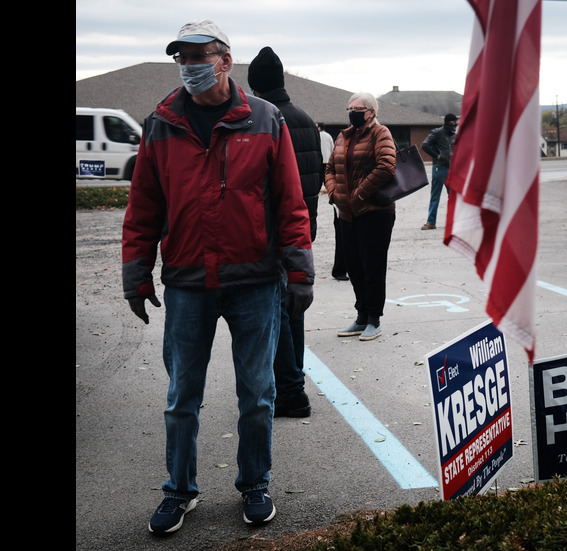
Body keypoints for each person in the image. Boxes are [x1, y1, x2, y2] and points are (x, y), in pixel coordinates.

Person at [122, 20, 314, 534]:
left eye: (198, 56)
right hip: (186, 281)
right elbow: (143, 206)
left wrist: (300, 273)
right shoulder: (161, 123)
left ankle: (255, 485)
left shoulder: (265, 119)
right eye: (181, 58)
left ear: (226, 60)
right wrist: (136, 274)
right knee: (182, 396)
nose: (189, 67)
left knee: (258, 393)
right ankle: (179, 491)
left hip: (254, 281)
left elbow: (290, 204)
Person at [247, 46, 321, 419]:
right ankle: (295, 382)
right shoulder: (306, 118)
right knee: (296, 309)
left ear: (255, 86)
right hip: (305, 228)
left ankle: (289, 391)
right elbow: (318, 174)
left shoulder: (266, 119)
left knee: (275, 312)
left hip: (276, 234)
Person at [324, 92, 396, 341]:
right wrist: (335, 194)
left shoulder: (380, 133)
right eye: (350, 108)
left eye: (357, 108)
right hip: (346, 213)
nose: (352, 112)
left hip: (374, 212)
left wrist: (357, 195)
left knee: (372, 267)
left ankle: (374, 319)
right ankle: (361, 316)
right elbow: (330, 168)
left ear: (371, 112)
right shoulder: (344, 136)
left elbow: (386, 165)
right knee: (353, 266)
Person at [318, 123, 347, 281]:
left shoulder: (339, 139)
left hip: (342, 198)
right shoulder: (338, 139)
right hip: (342, 198)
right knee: (344, 234)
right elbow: (331, 169)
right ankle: (342, 269)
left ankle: (340, 269)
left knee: (342, 235)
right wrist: (333, 192)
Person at [419, 113, 457, 230]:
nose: (454, 126)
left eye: (455, 124)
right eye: (451, 124)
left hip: (452, 168)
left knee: (453, 196)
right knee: (435, 196)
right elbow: (425, 145)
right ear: (446, 123)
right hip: (439, 167)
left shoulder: (455, 135)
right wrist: (437, 156)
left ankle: (454, 222)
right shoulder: (437, 133)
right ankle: (431, 222)